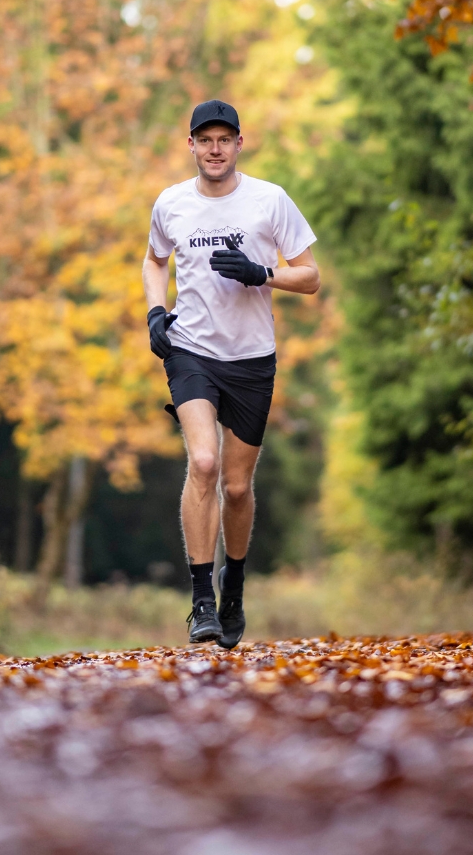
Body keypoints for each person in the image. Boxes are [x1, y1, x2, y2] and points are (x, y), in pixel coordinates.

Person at [142, 99, 320, 647]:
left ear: (239, 144)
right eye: (205, 140)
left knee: (238, 487)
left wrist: (262, 273)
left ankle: (233, 583)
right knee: (203, 461)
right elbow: (154, 258)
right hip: (191, 349)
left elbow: (311, 276)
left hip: (250, 359)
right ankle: (201, 602)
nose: (214, 149)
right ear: (190, 145)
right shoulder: (171, 203)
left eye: (224, 140)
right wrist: (153, 311)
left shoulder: (270, 200)